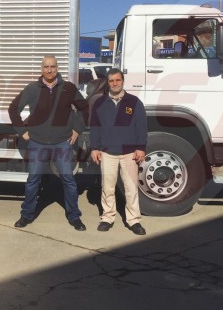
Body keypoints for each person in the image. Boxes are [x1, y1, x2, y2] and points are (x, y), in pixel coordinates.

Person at [8, 55, 89, 231]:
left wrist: (77, 129)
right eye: (46, 67)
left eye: (52, 66)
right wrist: (23, 132)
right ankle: (26, 215)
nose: (49, 70)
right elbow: (13, 108)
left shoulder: (68, 88)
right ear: (41, 68)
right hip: (38, 142)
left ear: (57, 68)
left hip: (62, 142)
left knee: (68, 180)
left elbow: (84, 107)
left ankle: (74, 216)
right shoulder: (31, 89)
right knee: (33, 181)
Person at [90, 68, 148, 235]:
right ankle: (107, 218)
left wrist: (141, 148)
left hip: (130, 152)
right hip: (107, 152)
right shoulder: (100, 103)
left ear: (123, 81)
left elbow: (141, 127)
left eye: (117, 80)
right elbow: (95, 127)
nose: (114, 83)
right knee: (107, 187)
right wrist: (95, 148)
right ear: (107, 83)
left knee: (131, 187)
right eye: (111, 81)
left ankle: (134, 220)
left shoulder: (134, 102)